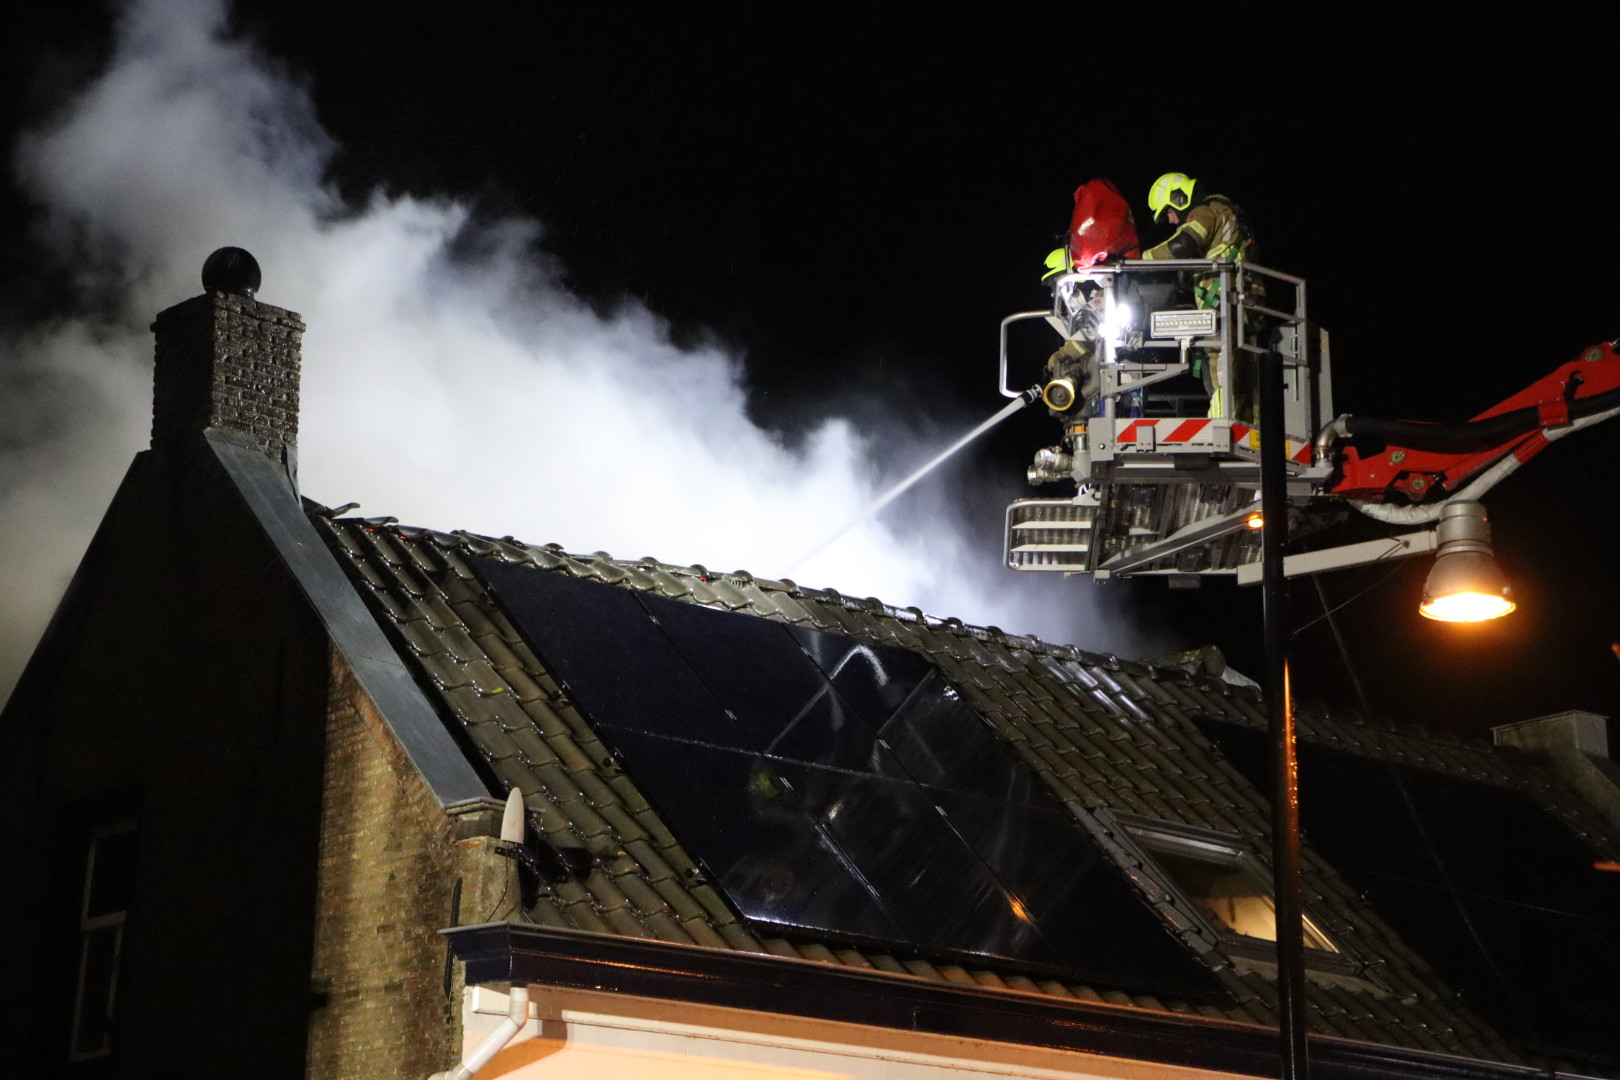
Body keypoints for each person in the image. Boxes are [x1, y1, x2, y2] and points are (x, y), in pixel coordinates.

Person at [1141, 172, 1258, 420]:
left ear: (1179, 197)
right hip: (1241, 301)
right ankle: (1249, 424)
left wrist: (1139, 260)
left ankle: (1224, 423)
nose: (1172, 220)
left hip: (1225, 302)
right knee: (1243, 371)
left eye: (1169, 212)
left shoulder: (1206, 211)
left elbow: (1182, 245)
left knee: (1220, 358)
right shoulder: (1225, 211)